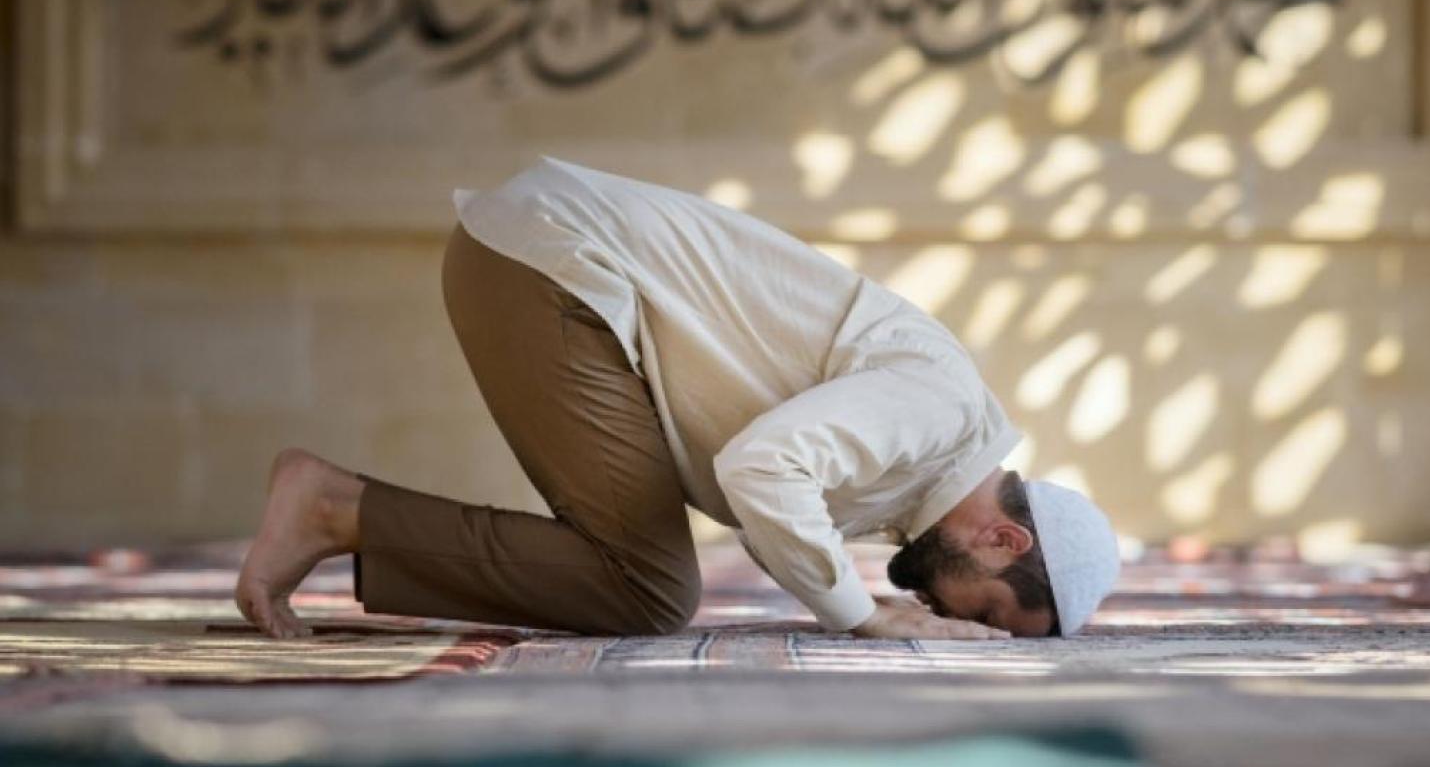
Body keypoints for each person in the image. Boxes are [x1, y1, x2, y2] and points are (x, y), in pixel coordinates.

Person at [235, 154, 1121, 641]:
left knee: (647, 585)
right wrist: (861, 617)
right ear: (1003, 539)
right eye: (991, 612)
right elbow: (763, 467)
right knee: (649, 591)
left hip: (542, 264)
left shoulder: (915, 475)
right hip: (555, 267)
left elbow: (768, 505)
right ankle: (332, 510)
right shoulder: (940, 413)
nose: (955, 620)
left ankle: (340, 511)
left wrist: (854, 600)